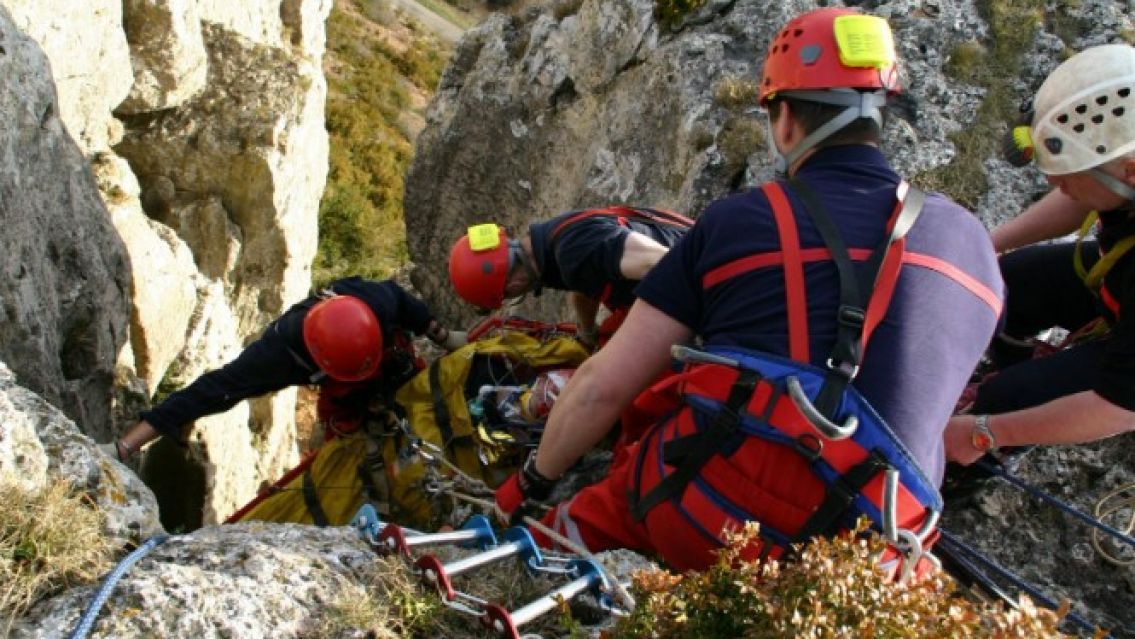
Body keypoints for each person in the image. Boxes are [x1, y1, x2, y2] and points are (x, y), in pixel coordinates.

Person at [493, 7, 1003, 573]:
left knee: (590, 512)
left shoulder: (739, 221)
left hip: (705, 512)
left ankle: (538, 548)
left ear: (785, 120)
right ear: (886, 113)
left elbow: (600, 390)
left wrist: (529, 483)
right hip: (869, 555)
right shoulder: (974, 246)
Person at [944, 44, 1135, 467]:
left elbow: (1119, 408)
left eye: (1067, 179)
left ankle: (963, 468)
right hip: (1118, 279)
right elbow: (1084, 196)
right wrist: (985, 246)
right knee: (1003, 285)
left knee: (1008, 402)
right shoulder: (1120, 170)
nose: (1056, 185)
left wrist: (984, 433)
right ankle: (1016, 367)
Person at [101, 277, 468, 462]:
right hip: (333, 375)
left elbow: (408, 304)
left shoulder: (378, 302)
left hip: (376, 351)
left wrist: (445, 337)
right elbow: (209, 392)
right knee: (349, 432)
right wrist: (126, 445)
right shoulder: (277, 355)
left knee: (410, 383)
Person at [447, 205, 692, 348]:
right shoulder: (550, 244)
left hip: (697, 281)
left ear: (514, 285)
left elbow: (660, 262)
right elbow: (587, 286)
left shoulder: (573, 249)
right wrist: (587, 333)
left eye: (508, 295)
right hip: (681, 275)